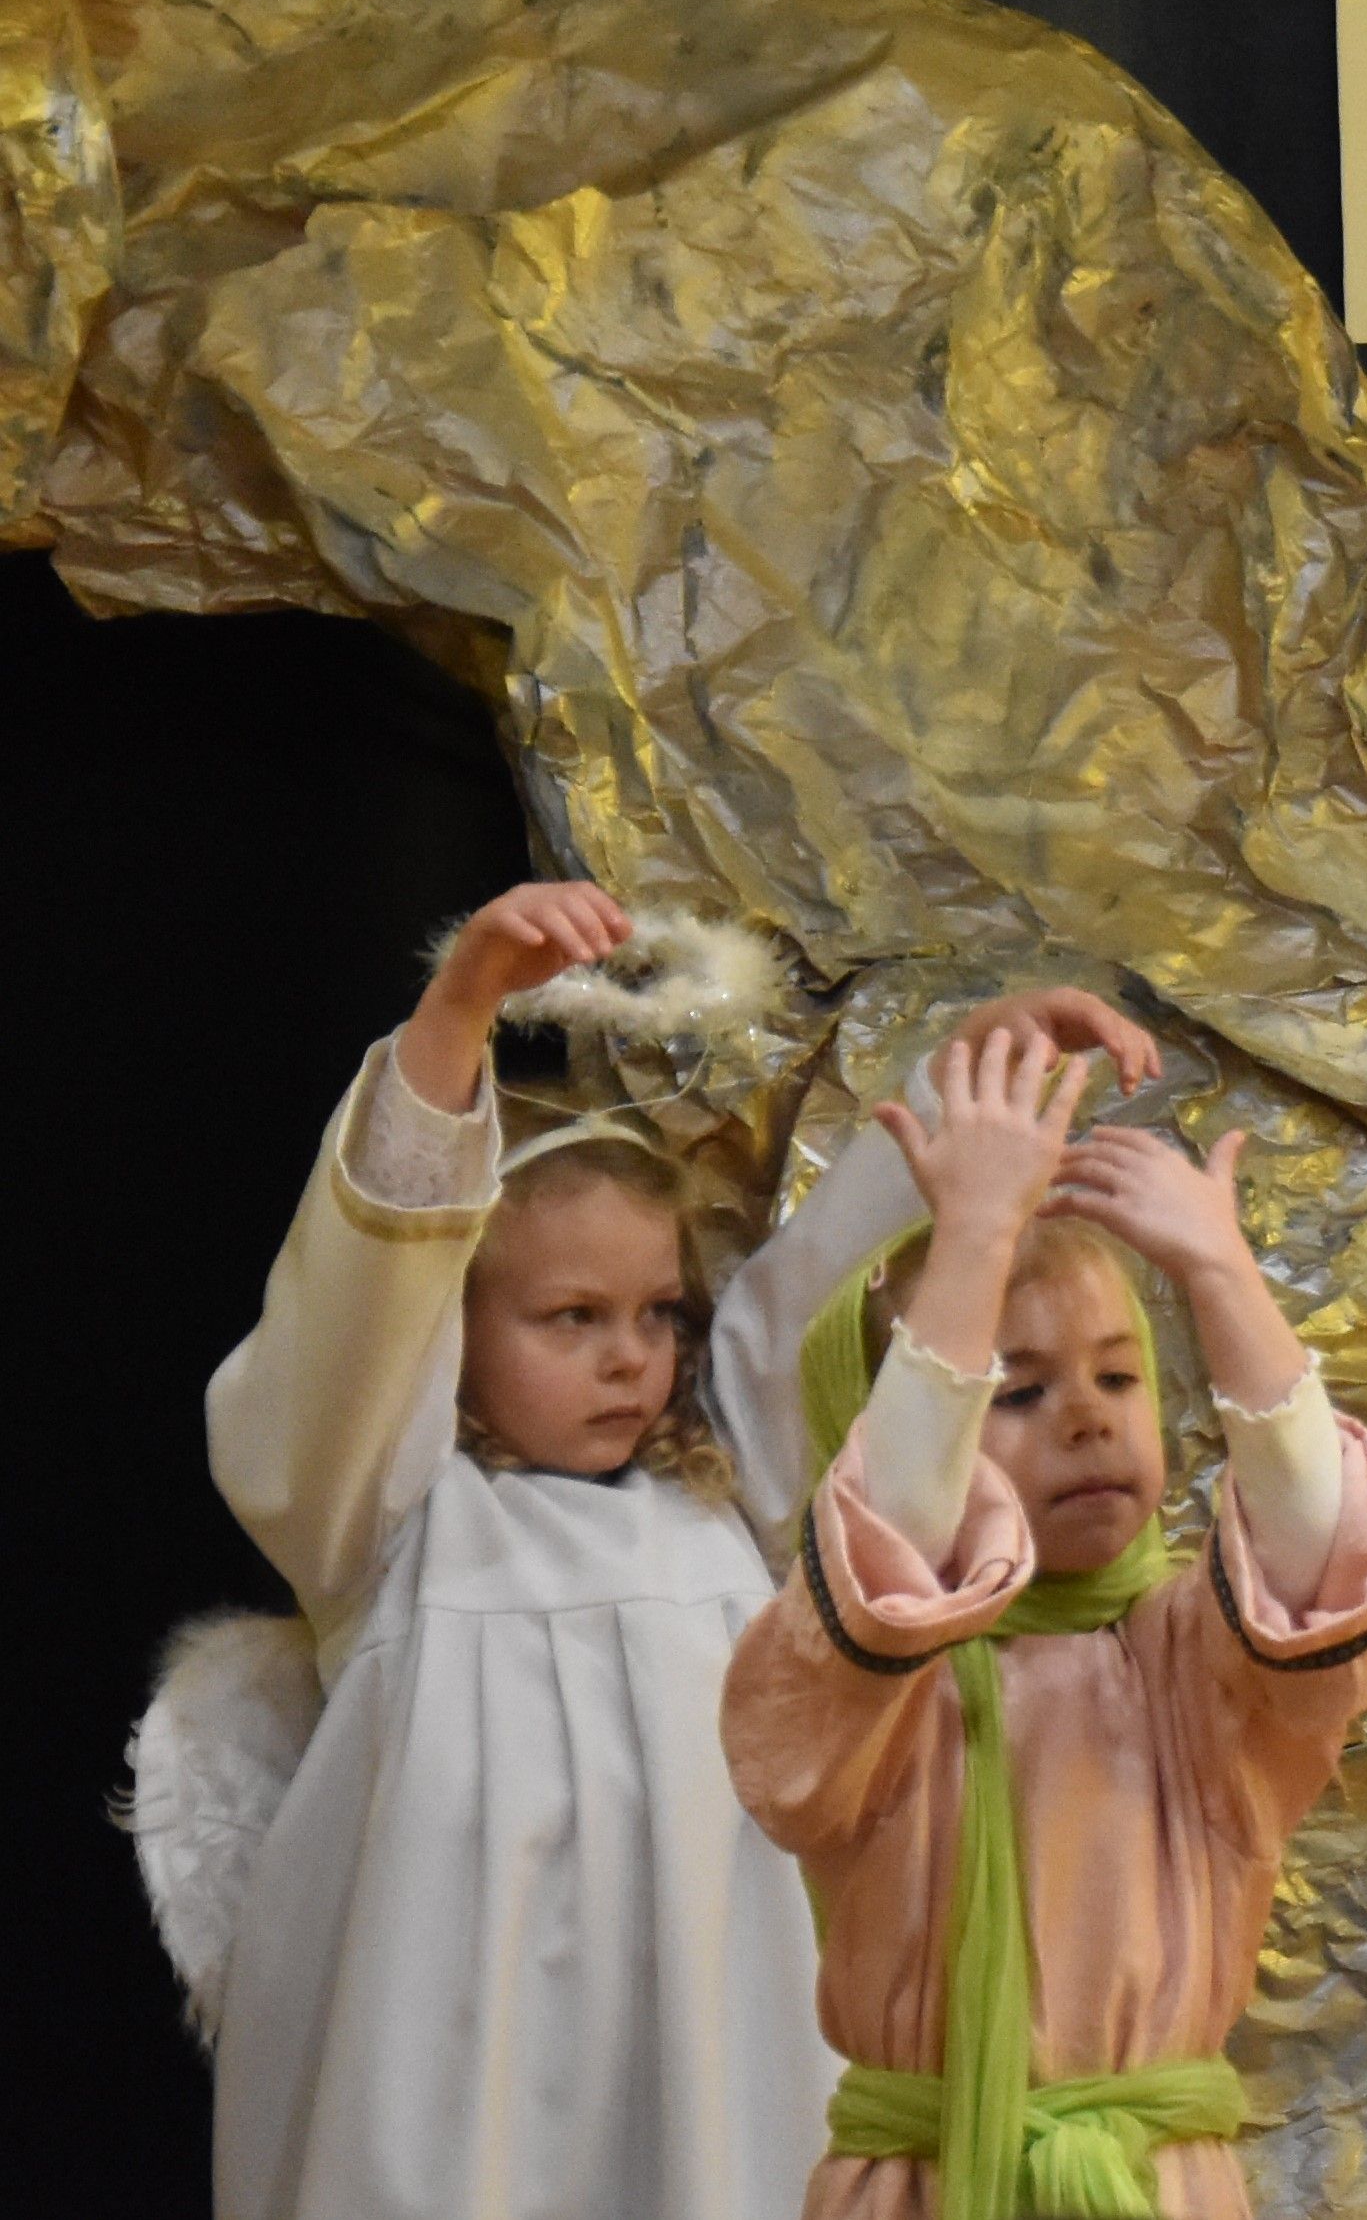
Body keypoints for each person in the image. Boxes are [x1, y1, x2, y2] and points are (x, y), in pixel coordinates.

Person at [184, 881, 845, 2220]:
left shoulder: (727, 1518)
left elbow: (812, 1314)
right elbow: (357, 1301)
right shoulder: (389, 1526)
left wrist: (964, 1132)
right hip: (451, 2103)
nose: (630, 1356)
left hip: (708, 2087)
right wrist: (458, 1009)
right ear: (452, 1336)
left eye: (659, 1312)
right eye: (571, 1315)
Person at [720, 1020, 1367, 2220]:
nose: (1087, 1417)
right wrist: (975, 1241)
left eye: (1119, 1375)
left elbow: (1321, 1546)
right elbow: (895, 1535)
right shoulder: (860, 1681)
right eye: (1018, 1389)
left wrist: (1223, 1280)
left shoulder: (1198, 1663)